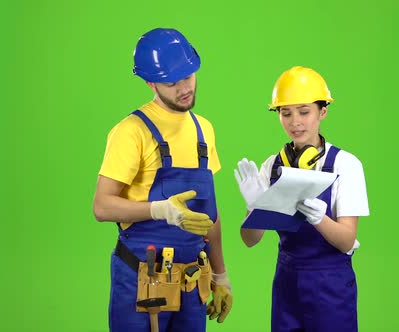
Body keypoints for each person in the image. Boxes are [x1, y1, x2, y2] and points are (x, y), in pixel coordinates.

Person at [93, 28, 232, 332]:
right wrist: (159, 210)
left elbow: (211, 213)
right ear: (150, 82)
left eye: (189, 76)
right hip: (142, 280)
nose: (184, 87)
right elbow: (102, 207)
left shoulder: (203, 130)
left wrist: (220, 274)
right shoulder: (132, 132)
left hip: (192, 282)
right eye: (172, 81)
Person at [236, 66, 369, 332]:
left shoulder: (345, 165)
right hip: (286, 283)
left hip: (329, 285)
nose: (295, 121)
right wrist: (255, 207)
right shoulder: (271, 166)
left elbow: (345, 241)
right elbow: (250, 240)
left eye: (304, 111)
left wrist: (320, 218)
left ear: (323, 111)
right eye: (286, 113)